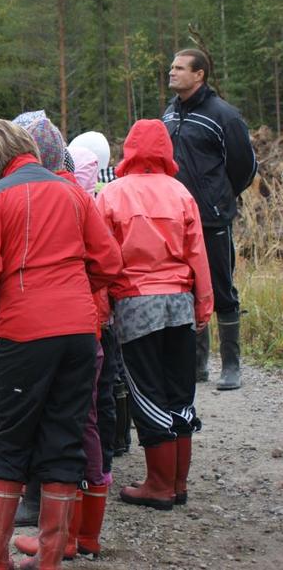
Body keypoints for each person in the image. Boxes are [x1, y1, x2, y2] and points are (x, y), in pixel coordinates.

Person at [0, 119, 121, 570]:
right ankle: (50, 560)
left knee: (11, 442)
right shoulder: (73, 191)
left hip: (23, 331)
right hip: (77, 331)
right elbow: (109, 260)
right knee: (65, 438)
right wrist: (72, 287)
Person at [97, 119, 213, 512]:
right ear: (167, 150)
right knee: (180, 392)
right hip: (180, 300)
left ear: (128, 150)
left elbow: (102, 258)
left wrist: (100, 309)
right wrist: (204, 303)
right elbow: (198, 253)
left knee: (147, 393)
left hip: (136, 302)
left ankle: (158, 486)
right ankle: (177, 484)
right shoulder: (181, 193)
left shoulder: (112, 194)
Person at [162, 48, 257, 390]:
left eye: (179, 68)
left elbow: (245, 166)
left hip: (212, 219)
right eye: (171, 67)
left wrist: (220, 197)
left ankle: (231, 365)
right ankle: (197, 364)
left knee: (220, 289)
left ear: (199, 74)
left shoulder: (224, 115)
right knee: (185, 289)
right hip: (176, 220)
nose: (171, 72)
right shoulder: (169, 114)